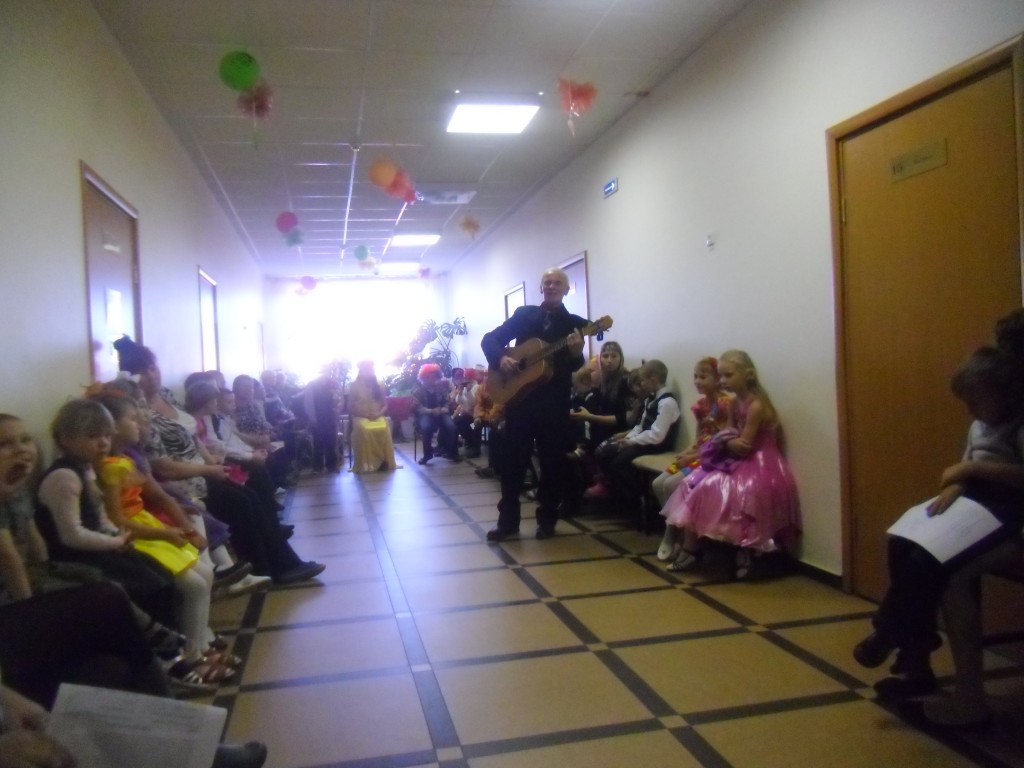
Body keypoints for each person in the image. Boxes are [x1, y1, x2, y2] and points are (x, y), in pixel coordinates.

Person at [853, 344, 1024, 711]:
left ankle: (890, 630)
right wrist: (957, 483)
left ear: (1006, 393)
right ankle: (913, 650)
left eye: (976, 401)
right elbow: (964, 466)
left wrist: (973, 470)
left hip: (1006, 509)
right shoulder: (979, 425)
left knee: (929, 561)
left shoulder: (1017, 426)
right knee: (902, 542)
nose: (970, 411)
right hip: (972, 500)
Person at [662, 349, 801, 578]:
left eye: (728, 375)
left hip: (760, 463)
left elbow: (744, 444)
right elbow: (727, 432)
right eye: (722, 376)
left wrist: (726, 440)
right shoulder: (735, 403)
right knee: (692, 483)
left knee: (736, 493)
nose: (724, 381)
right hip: (736, 459)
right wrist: (726, 440)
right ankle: (691, 547)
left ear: (748, 375)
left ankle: (745, 550)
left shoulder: (756, 406)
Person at [480, 267, 588, 541]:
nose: (551, 286)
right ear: (541, 288)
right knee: (512, 464)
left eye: (557, 283)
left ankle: (547, 521)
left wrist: (577, 353)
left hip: (554, 405)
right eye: (547, 282)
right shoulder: (524, 315)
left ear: (566, 290)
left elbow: (575, 365)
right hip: (521, 402)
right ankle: (507, 522)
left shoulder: (574, 324)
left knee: (552, 465)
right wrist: (501, 359)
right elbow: (490, 339)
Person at [654, 357, 732, 561]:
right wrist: (686, 452)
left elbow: (722, 440)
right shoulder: (701, 405)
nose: (697, 381)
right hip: (700, 451)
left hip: (713, 457)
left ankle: (675, 535)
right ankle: (674, 528)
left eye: (703, 377)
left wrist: (692, 457)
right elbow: (699, 437)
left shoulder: (726, 404)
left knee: (671, 484)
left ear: (717, 379)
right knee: (658, 483)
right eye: (695, 376)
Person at [585, 360, 680, 515]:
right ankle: (621, 498)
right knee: (603, 453)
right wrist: (627, 438)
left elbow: (657, 435)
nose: (641, 384)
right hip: (644, 441)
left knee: (618, 464)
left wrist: (631, 442)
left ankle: (637, 500)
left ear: (653, 379)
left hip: (656, 445)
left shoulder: (667, 402)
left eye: (643, 380)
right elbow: (640, 426)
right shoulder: (651, 400)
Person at [347, 360, 397, 473]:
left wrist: (378, 414)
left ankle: (383, 461)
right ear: (360, 370)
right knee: (364, 429)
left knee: (384, 427)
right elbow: (350, 407)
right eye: (365, 369)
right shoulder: (354, 385)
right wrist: (364, 415)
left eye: (370, 369)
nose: (368, 371)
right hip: (360, 417)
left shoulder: (379, 384)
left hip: (377, 415)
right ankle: (368, 464)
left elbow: (385, 405)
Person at [412, 364, 458, 465]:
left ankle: (452, 453)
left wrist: (445, 408)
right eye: (428, 377)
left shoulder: (441, 390)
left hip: (441, 413)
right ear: (423, 378)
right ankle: (427, 454)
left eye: (433, 376)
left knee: (451, 427)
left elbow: (447, 401)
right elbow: (418, 408)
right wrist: (431, 411)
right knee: (426, 427)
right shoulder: (418, 392)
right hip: (426, 414)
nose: (431, 379)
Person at [472, 367, 505, 480]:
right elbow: (478, 404)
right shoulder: (481, 388)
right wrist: (478, 417)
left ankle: (495, 467)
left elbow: (498, 405)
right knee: (474, 426)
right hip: (485, 416)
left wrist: (491, 417)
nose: (486, 378)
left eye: (489, 375)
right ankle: (475, 449)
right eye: (485, 375)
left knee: (494, 434)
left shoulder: (500, 387)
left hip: (497, 417)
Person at [449, 368, 481, 459]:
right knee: (456, 422)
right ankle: (467, 443)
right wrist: (460, 393)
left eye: (467, 377)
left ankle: (473, 445)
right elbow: (459, 401)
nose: (465, 379)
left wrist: (468, 392)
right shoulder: (466, 386)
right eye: (465, 377)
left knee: (463, 423)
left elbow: (473, 403)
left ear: (471, 377)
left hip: (475, 413)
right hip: (467, 412)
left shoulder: (476, 387)